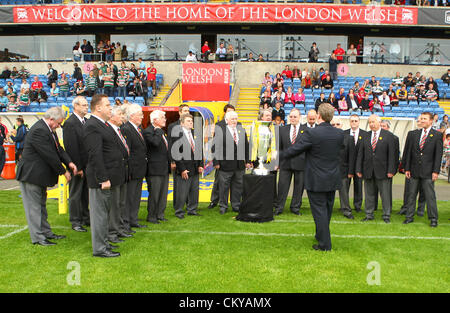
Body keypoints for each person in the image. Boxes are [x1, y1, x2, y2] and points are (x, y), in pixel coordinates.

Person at [280, 103, 344, 251]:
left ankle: (324, 244)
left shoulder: (312, 133)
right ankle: (321, 235)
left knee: (320, 211)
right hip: (332, 177)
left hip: (316, 178)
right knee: (327, 210)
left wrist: (279, 155)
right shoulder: (339, 134)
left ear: (318, 116)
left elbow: (295, 150)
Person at [17, 107, 77, 246]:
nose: (59, 126)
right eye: (58, 123)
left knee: (41, 206)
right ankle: (38, 237)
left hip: (39, 176)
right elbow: (49, 155)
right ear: (51, 119)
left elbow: (58, 150)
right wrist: (63, 171)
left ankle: (46, 232)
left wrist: (69, 162)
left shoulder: (49, 130)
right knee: (34, 208)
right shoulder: (40, 130)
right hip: (31, 175)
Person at [83, 94, 126, 258]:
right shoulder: (92, 125)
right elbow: (95, 155)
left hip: (110, 177)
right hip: (101, 179)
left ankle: (104, 243)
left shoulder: (103, 125)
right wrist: (103, 178)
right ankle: (100, 249)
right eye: (108, 105)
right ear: (98, 107)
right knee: (100, 215)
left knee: (106, 214)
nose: (111, 107)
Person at [402, 112, 443, 227]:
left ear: (431, 121)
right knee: (411, 195)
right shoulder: (413, 134)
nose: (422, 120)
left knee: (430, 196)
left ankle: (433, 219)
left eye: (425, 119)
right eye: (421, 118)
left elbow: (438, 155)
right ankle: (409, 217)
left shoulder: (437, 135)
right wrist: (407, 168)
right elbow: (408, 152)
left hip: (429, 172)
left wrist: (435, 171)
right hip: (414, 171)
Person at [356, 114, 396, 223]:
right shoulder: (365, 135)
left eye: (373, 122)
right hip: (368, 170)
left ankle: (386, 215)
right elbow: (360, 154)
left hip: (383, 171)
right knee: (369, 194)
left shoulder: (388, 136)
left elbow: (392, 155)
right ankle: (369, 214)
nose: (371, 124)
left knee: (385, 194)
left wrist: (391, 170)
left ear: (379, 122)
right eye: (370, 122)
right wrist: (358, 169)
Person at [212, 111, 251, 214]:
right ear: (227, 120)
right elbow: (215, 147)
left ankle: (236, 205)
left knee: (238, 187)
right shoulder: (221, 131)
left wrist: (248, 161)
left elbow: (246, 147)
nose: (234, 121)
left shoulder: (241, 130)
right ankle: (223, 206)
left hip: (239, 166)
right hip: (225, 165)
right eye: (232, 119)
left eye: (236, 119)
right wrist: (216, 162)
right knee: (224, 187)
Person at [62, 96, 90, 233]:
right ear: (76, 106)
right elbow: (71, 147)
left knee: (85, 193)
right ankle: (75, 220)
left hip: (87, 165)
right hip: (77, 166)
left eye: (87, 104)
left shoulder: (86, 121)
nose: (87, 107)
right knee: (75, 193)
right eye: (84, 105)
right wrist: (77, 167)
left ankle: (85, 217)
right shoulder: (70, 123)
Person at [105, 105, 132, 244]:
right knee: (114, 205)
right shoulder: (108, 130)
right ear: (112, 116)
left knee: (120, 203)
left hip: (122, 172)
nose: (123, 117)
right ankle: (112, 232)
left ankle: (119, 228)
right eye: (120, 114)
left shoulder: (119, 130)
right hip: (113, 173)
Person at [274, 108, 306, 216]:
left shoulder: (306, 130)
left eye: (295, 116)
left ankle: (295, 207)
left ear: (299, 117)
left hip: (301, 164)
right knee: (282, 186)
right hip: (285, 163)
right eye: (291, 116)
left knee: (299, 187)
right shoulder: (282, 130)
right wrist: (277, 162)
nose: (293, 118)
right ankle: (279, 207)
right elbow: (279, 147)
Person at [207, 104, 239, 209]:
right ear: (225, 113)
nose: (231, 114)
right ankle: (214, 200)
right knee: (218, 182)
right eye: (229, 112)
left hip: (234, 161)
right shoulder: (219, 125)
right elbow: (215, 145)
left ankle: (233, 203)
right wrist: (216, 161)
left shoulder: (238, 125)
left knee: (233, 182)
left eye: (233, 112)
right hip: (222, 160)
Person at [172, 114, 203, 219]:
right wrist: (182, 169)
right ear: (182, 123)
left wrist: (200, 165)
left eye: (191, 121)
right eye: (188, 121)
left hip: (195, 168)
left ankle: (192, 209)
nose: (191, 122)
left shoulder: (195, 133)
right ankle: (179, 211)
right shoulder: (177, 135)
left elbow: (199, 150)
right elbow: (176, 154)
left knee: (194, 191)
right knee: (182, 191)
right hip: (184, 168)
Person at [121, 104, 147, 230]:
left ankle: (133, 219)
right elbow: (128, 152)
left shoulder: (138, 129)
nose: (142, 117)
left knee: (136, 196)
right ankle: (126, 222)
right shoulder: (127, 129)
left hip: (139, 169)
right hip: (132, 170)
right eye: (140, 115)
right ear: (132, 116)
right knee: (129, 197)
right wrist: (129, 171)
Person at [143, 110, 171, 224]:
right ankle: (152, 216)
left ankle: (160, 214)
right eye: (163, 117)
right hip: (154, 169)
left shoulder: (161, 132)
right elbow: (155, 143)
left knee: (163, 193)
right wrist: (158, 131)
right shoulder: (148, 131)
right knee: (154, 193)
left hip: (164, 168)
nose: (165, 119)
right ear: (155, 120)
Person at [167, 104, 191, 211]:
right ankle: (177, 204)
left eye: (188, 110)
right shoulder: (173, 126)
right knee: (178, 183)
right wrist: (172, 161)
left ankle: (188, 203)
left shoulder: (190, 125)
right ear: (180, 112)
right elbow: (171, 145)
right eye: (185, 110)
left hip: (189, 160)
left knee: (189, 183)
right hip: (177, 159)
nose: (187, 112)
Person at [331, 117, 355, 219]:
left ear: (341, 125)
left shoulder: (349, 138)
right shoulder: (327, 137)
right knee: (328, 192)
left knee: (344, 193)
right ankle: (327, 209)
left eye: (337, 124)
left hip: (343, 170)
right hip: (329, 170)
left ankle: (346, 210)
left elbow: (352, 156)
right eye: (333, 125)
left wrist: (350, 171)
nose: (335, 126)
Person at [345, 115, 367, 213]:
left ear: (359, 122)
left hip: (360, 165)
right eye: (352, 121)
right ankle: (344, 205)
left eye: (356, 121)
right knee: (345, 187)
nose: (354, 122)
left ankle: (357, 206)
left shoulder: (365, 134)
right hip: (346, 165)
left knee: (358, 186)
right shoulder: (344, 133)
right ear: (349, 122)